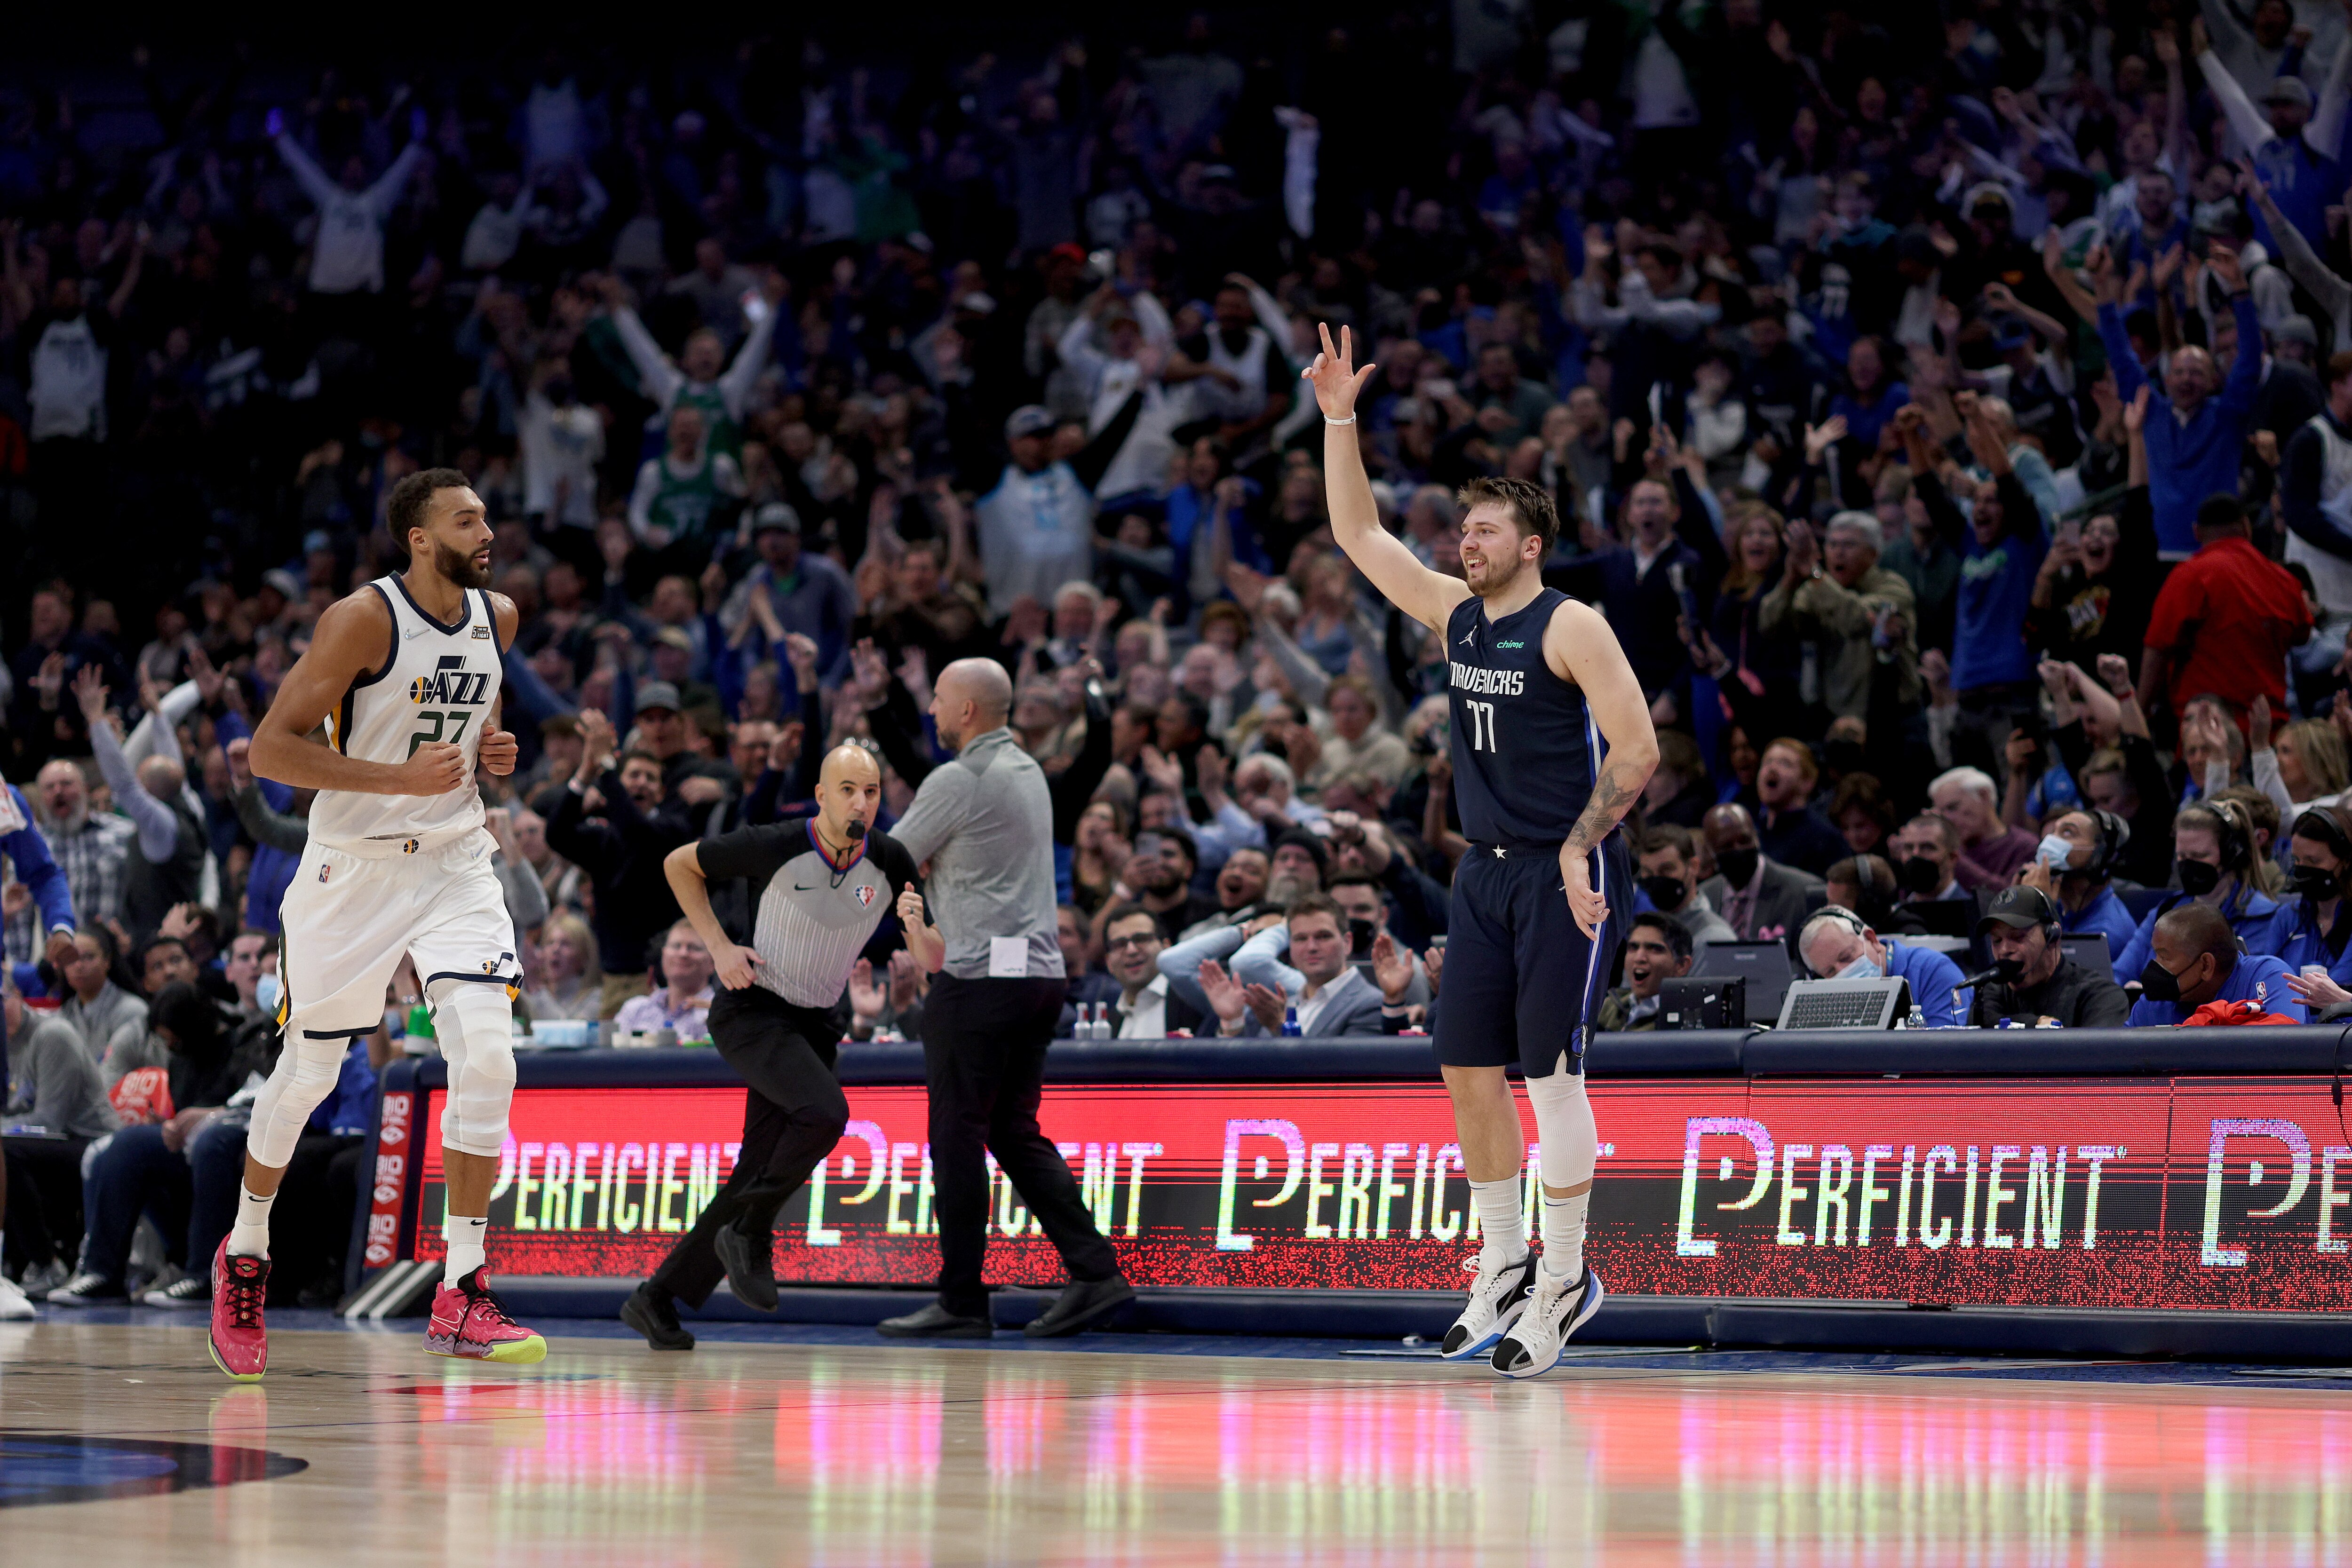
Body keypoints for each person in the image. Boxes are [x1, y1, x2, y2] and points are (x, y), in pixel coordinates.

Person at [1309, 326, 1657, 1379]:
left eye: (1487, 530)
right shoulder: (1454, 614)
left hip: (1565, 866)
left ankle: (1567, 1277)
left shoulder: (1571, 623)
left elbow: (1638, 749)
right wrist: (1339, 419)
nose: (1467, 542)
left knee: (1552, 1073)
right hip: (1484, 868)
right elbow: (1359, 533)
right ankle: (1503, 1260)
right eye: (1463, 529)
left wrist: (1581, 845)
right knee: (1466, 1067)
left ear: (1531, 544)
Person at [230, 467, 541, 1380]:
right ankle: (246, 1249)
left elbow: (473, 711)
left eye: (486, 516)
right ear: (419, 537)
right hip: (352, 867)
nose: (487, 531)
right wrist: (395, 778)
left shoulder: (499, 617)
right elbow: (270, 750)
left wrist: (493, 746)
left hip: (452, 859)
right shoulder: (362, 619)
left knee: (489, 1057)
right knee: (310, 1072)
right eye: (466, 519)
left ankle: (463, 1286)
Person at [620, 745, 938, 1351]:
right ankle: (750, 1229)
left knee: (757, 1168)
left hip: (816, 1026)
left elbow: (934, 958)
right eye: (847, 789)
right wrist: (718, 947)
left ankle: (656, 1297)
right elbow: (678, 863)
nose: (861, 803)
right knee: (825, 1114)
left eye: (871, 791)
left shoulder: (891, 859)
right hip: (753, 1010)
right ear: (820, 795)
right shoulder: (775, 843)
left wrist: (919, 929)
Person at [874, 656, 1133, 1340]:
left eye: (937, 698)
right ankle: (1095, 1272)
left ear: (966, 710)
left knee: (955, 1139)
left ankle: (962, 1300)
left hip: (978, 979)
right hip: (1039, 978)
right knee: (1012, 1131)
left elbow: (888, 859)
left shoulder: (957, 779)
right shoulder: (1028, 772)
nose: (931, 709)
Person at [544, 713, 694, 1017]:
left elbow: (636, 832)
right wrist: (586, 772)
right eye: (634, 775)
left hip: (660, 981)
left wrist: (607, 767)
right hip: (611, 979)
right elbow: (557, 834)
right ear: (621, 786)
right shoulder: (603, 839)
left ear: (661, 793)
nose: (642, 783)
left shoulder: (674, 829)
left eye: (651, 778)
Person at [2140, 493, 2314, 718]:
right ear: (2246, 527)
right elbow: (2303, 634)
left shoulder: (2190, 576)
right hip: (2270, 726)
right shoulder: (2284, 580)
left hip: (2207, 728)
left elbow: (2157, 648)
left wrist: (2140, 712)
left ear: (2197, 532)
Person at [2111, 800, 2294, 986]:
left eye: (2200, 856)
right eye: (2182, 856)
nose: (2188, 864)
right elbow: (2119, 974)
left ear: (2231, 855)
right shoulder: (2166, 911)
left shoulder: (2263, 917)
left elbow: (2253, 987)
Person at [1200, 894, 1388, 1037]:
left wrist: (1280, 1028)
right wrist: (1233, 1021)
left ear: (1347, 943)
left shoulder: (1371, 1004)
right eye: (1301, 939)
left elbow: (1345, 1072)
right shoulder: (1283, 1003)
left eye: (1323, 937)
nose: (1312, 947)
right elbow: (1250, 1068)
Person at [1967, 887, 2131, 1028]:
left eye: (2017, 937)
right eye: (1997, 940)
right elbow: (1985, 1023)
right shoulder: (1991, 992)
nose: (2004, 950)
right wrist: (2036, 1024)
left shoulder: (2100, 996)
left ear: (2053, 936)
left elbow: (2097, 1051)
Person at [2127, 902, 2307, 1026]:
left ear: (2206, 966)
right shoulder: (2155, 1002)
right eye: (2155, 955)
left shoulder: (2269, 977)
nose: (2155, 966)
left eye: (2164, 958)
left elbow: (2283, 1049)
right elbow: (2122, 1060)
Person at [1795, 905, 1971, 1027]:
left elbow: (1944, 1054)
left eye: (1847, 957)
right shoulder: (1826, 1002)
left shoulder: (1935, 971)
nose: (1843, 972)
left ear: (1871, 939)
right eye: (1830, 972)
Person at [2016, 808, 2140, 963]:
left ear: (2101, 853)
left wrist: (2036, 912)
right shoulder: (2058, 904)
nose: (2050, 840)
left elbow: (2040, 971)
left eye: (2068, 833)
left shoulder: (2107, 931)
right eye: (2052, 833)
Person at [1698, 803, 1824, 946]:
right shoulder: (1704, 897)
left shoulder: (1803, 892)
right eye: (1726, 845)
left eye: (1745, 841)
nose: (1738, 849)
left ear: (1756, 838)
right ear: (1710, 850)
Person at [1097, 903, 1208, 1038]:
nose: (1131, 950)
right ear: (1108, 962)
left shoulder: (1191, 999)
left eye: (1141, 939)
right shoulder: (1108, 1021)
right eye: (1120, 944)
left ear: (1166, 947)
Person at [2272, 804, 2352, 988]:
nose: (2302, 869)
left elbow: (2339, 985)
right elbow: (2267, 982)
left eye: (2313, 861)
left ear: (2346, 860)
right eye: (2297, 860)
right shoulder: (2287, 917)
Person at [1931, 767, 2040, 892]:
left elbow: (2008, 896)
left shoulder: (2024, 846)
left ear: (1984, 796)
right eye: (1941, 814)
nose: (1947, 819)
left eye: (1952, 808)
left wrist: (1952, 858)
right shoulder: (1955, 849)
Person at [1753, 739, 1849, 875]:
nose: (1772, 768)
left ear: (1807, 782)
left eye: (1785, 763)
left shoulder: (1825, 839)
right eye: (1767, 762)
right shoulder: (1752, 834)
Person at [612, 920, 720, 1041]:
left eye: (694, 948)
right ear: (663, 955)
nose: (683, 954)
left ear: (713, 962)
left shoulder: (719, 1012)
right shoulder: (635, 1010)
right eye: (676, 946)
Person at [1634, 825, 1737, 947]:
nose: (1657, 879)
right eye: (1648, 872)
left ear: (1694, 867)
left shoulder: (1714, 936)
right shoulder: (1642, 927)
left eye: (1666, 869)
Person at [1596, 913, 1693, 1030]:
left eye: (1655, 949)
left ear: (1682, 966)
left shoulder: (1687, 1022)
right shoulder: (1606, 1007)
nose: (1639, 958)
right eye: (1633, 947)